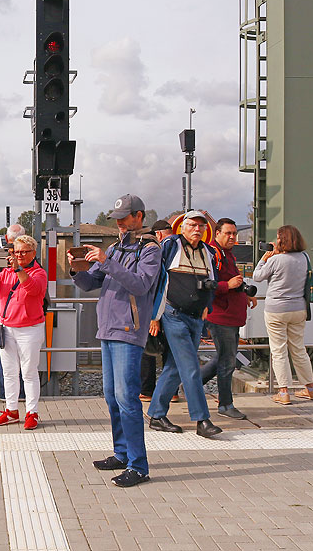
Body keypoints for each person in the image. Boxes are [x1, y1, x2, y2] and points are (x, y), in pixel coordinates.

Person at [69, 194, 160, 488]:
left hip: (128, 330)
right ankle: (122, 453)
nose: (119, 223)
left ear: (139, 217)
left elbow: (141, 284)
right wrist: (76, 268)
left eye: (124, 217)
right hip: (107, 330)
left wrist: (107, 261)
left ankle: (138, 465)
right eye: (117, 218)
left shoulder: (149, 250)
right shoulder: (116, 248)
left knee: (127, 398)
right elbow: (90, 283)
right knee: (112, 397)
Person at [148, 210, 223, 438]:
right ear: (183, 227)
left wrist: (206, 306)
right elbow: (156, 279)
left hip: (195, 317)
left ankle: (156, 414)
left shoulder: (208, 252)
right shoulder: (171, 245)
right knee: (190, 366)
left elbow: (213, 281)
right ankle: (202, 420)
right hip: (173, 314)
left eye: (201, 226)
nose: (197, 229)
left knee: (175, 367)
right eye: (192, 225)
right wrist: (154, 315)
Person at [0, 234, 47, 430]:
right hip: (7, 328)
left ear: (33, 253)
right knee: (10, 373)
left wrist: (19, 270)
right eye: (16, 252)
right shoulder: (7, 273)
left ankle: (32, 412)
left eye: (23, 252)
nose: (19, 255)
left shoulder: (39, 273)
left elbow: (33, 290)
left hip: (30, 329)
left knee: (29, 372)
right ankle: (11, 410)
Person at [252, 224, 313, 405]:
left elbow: (257, 276)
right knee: (298, 349)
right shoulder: (304, 257)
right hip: (298, 309)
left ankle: (284, 392)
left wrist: (264, 258)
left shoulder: (275, 260)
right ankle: (310, 388)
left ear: (282, 240)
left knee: (279, 350)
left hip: (276, 310)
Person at [201, 218, 257, 419]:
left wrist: (245, 293)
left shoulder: (227, 254)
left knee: (222, 359)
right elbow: (208, 286)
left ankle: (189, 386)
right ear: (217, 234)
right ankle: (225, 405)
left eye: (234, 233)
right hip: (221, 317)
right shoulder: (213, 255)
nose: (233, 237)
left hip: (232, 316)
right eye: (228, 233)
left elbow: (231, 281)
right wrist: (229, 286)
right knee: (227, 362)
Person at [0, 223, 26, 400]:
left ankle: (6, 394)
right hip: (26, 317)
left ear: (6, 238)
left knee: (5, 357)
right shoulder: (30, 257)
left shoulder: (1, 257)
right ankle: (21, 393)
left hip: (5, 315)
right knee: (25, 360)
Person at [140, 219, 173, 402]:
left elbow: (156, 284)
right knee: (170, 351)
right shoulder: (178, 248)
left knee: (149, 349)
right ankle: (171, 392)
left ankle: (147, 390)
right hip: (176, 309)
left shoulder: (157, 250)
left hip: (159, 308)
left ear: (157, 234)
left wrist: (154, 316)